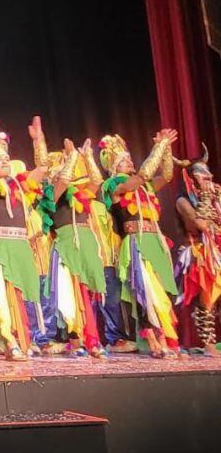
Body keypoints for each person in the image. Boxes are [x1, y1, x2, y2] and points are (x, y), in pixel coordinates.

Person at [100, 130, 181, 358]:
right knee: (145, 290)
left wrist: (166, 149)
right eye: (123, 160)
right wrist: (158, 147)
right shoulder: (114, 186)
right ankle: (154, 339)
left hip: (154, 240)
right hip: (136, 242)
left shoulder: (144, 188)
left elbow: (166, 176)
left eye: (129, 158)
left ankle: (166, 336)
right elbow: (142, 176)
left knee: (165, 290)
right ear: (113, 166)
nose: (129, 162)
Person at [31, 121, 108, 358]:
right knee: (70, 293)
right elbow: (63, 181)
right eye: (58, 168)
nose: (61, 171)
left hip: (85, 242)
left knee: (87, 292)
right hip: (65, 246)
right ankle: (78, 340)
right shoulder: (49, 195)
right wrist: (72, 156)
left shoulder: (81, 193)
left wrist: (88, 157)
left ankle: (90, 339)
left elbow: (96, 182)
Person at [0, 120, 48, 361]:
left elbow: (43, 168)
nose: (4, 161)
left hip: (20, 246)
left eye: (6, 157)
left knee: (22, 293)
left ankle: (23, 337)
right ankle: (9, 339)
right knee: (1, 294)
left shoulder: (20, 184)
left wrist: (38, 140)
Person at [174, 147, 221, 355]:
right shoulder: (183, 201)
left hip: (218, 246)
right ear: (192, 178)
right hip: (202, 251)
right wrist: (205, 196)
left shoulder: (217, 197)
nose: (208, 177)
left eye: (208, 173)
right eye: (202, 174)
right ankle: (208, 343)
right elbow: (200, 224)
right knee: (207, 297)